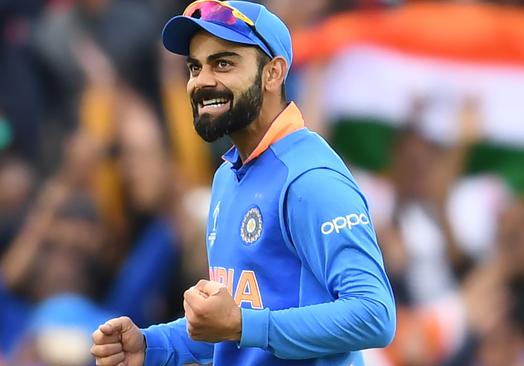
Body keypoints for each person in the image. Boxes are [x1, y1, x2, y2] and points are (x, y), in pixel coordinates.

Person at [90, 1, 396, 366]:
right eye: (194, 67)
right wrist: (152, 345)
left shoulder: (311, 179)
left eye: (223, 63)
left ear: (273, 73)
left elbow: (374, 315)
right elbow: (235, 330)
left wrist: (240, 324)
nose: (202, 81)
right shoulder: (227, 176)